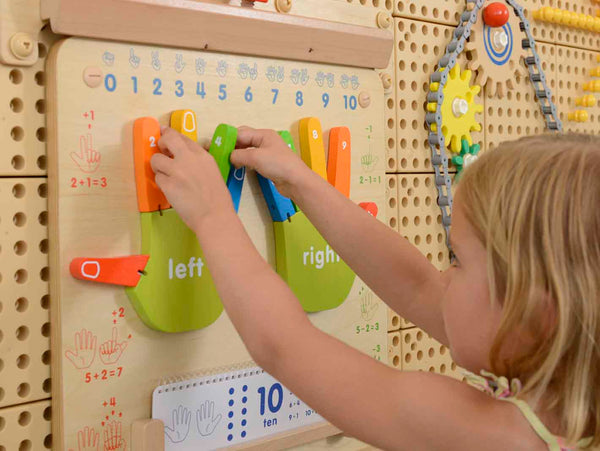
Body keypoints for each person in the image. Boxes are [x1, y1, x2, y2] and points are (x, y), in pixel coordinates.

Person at [150, 128, 598, 450]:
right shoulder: (562, 406)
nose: (443, 275)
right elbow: (417, 286)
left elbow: (284, 345)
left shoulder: (493, 438)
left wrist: (212, 214)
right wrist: (302, 183)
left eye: (458, 261)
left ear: (537, 312)